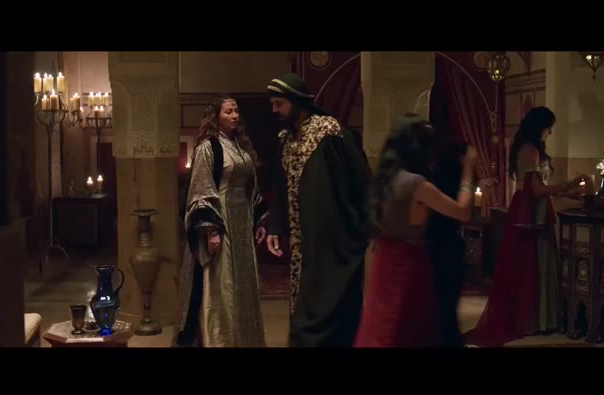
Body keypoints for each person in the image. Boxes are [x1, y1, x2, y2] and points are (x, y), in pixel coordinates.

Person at [464, 106, 585, 347]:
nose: (550, 132)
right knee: (532, 263)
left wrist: (567, 193)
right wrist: (567, 185)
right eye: (549, 127)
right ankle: (531, 320)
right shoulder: (530, 150)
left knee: (535, 262)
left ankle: (538, 319)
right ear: (540, 127)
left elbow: (538, 187)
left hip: (532, 209)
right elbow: (535, 190)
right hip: (529, 212)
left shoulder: (529, 148)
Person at [265, 73, 371, 347]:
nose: (274, 110)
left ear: (297, 101)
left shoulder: (330, 134)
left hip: (332, 242)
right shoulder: (286, 139)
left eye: (279, 104)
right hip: (302, 243)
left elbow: (360, 180)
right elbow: (280, 184)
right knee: (304, 304)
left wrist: (360, 228)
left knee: (330, 307)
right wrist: (276, 225)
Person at [354, 113, 476, 347]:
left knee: (381, 326)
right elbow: (462, 212)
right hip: (408, 262)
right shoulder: (415, 183)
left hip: (384, 261)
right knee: (406, 328)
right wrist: (468, 171)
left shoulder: (383, 179)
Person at [172, 94, 268, 347]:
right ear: (216, 117)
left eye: (236, 111)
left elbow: (252, 189)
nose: (234, 116)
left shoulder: (240, 147)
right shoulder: (208, 147)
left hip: (242, 225)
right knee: (221, 284)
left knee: (243, 284)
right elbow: (200, 190)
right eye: (228, 112)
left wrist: (259, 220)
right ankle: (220, 340)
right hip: (221, 224)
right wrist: (210, 229)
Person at [426, 137, 471, 347]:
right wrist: (468, 172)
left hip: (437, 246)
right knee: (445, 309)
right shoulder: (444, 182)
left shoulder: (434, 179)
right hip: (443, 248)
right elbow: (463, 213)